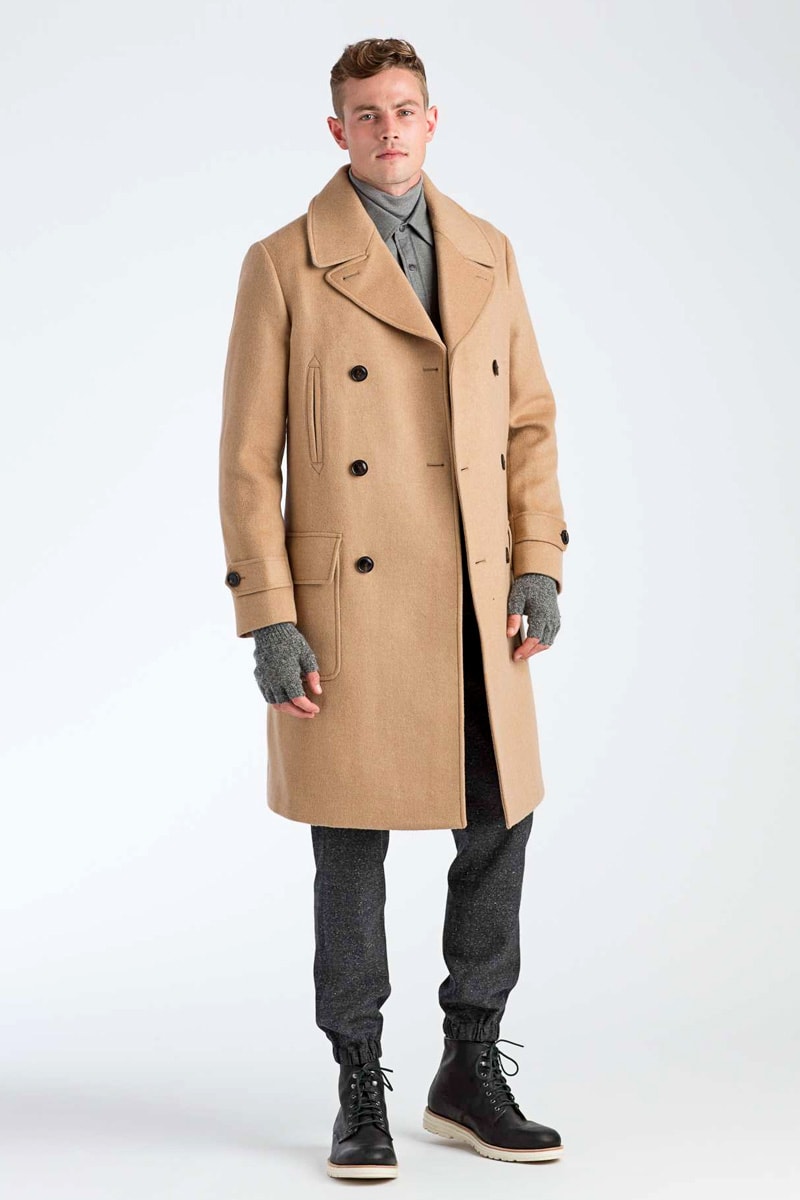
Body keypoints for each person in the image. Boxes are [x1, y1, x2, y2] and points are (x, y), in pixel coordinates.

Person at [218, 36, 570, 1181]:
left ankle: (466, 1069)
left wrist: (537, 562)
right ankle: (358, 1080)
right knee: (350, 843)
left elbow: (528, 422)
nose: (386, 130)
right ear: (337, 130)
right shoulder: (282, 264)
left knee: (498, 824)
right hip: (350, 607)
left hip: (474, 594)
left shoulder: (486, 252)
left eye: (403, 110)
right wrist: (269, 616)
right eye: (364, 114)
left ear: (431, 120)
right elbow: (247, 460)